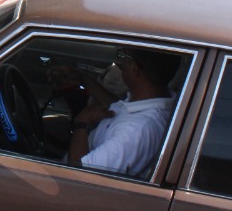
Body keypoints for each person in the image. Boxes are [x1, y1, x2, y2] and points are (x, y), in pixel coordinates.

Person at [65, 47, 181, 179]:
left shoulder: (135, 131)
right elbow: (119, 109)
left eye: (124, 57)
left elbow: (77, 175)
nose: (121, 63)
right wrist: (83, 80)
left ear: (134, 69)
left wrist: (81, 123)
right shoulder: (154, 100)